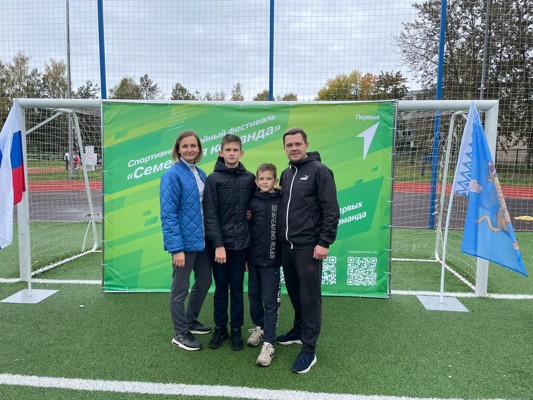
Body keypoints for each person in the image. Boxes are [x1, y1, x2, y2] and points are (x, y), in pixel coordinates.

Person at [276, 127, 340, 374]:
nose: (293, 148)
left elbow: (331, 210)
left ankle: (309, 349)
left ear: (306, 145)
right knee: (294, 292)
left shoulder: (320, 171)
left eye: (297, 144)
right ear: (285, 148)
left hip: (309, 248)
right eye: (289, 145)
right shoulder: (286, 173)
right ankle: (298, 330)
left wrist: (324, 242)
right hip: (287, 247)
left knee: (310, 298)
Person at [160, 130, 212, 351]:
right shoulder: (172, 175)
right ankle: (180, 333)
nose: (190, 149)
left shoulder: (200, 173)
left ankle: (190, 320)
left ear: (199, 149)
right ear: (178, 150)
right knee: (180, 289)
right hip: (184, 243)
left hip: (202, 240)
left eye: (193, 146)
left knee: (205, 281)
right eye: (185, 146)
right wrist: (176, 248)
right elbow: (168, 214)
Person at [203, 134, 256, 351]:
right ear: (221, 153)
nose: (232, 153)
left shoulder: (250, 178)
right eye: (228, 150)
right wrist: (218, 245)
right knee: (221, 288)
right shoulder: (213, 179)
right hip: (219, 247)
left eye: (235, 150)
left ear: (241, 153)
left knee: (236, 289)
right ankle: (220, 329)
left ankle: (236, 330)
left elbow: (256, 206)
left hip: (241, 246)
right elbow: (210, 214)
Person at [246, 163, 282, 367]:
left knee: (270, 300)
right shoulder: (252, 201)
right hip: (253, 259)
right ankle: (259, 327)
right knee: (254, 295)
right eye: (262, 179)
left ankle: (269, 342)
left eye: (269, 179)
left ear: (275, 181)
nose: (265, 182)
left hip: (272, 260)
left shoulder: (281, 198)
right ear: (256, 181)